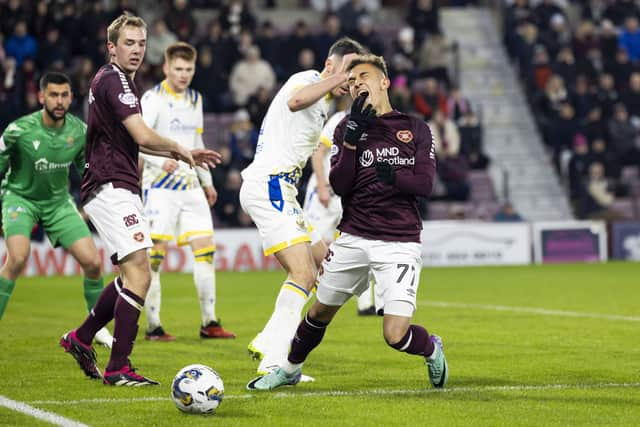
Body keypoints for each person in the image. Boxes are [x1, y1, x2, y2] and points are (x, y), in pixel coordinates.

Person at [248, 54, 448, 391]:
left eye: (364, 77)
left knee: (395, 334)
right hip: (354, 237)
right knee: (318, 313)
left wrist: (392, 178)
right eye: (352, 81)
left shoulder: (415, 128)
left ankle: (431, 348)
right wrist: (352, 141)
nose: (357, 85)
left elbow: (425, 186)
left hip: (399, 241)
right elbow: (340, 185)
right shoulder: (345, 127)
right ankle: (289, 369)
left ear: (384, 81)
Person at [59, 13, 220, 386]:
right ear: (111, 48)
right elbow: (142, 135)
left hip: (118, 184)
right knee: (141, 274)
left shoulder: (122, 82)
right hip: (111, 184)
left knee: (130, 275)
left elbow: (136, 140)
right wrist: (182, 150)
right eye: (128, 43)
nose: (136, 50)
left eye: (141, 43)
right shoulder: (114, 80)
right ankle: (118, 368)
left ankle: (81, 338)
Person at [240, 37, 366, 380]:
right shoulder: (306, 79)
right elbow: (296, 101)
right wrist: (338, 78)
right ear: (330, 64)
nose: (352, 78)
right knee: (303, 274)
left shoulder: (324, 104)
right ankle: (274, 359)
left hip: (284, 192)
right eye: (348, 69)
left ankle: (269, 338)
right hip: (270, 186)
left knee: (325, 263)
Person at [0, 72, 112, 347]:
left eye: (64, 95)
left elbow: (88, 173)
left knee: (93, 262)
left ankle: (95, 327)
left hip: (58, 203)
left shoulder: (79, 132)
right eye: (53, 95)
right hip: (20, 199)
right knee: (16, 258)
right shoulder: (17, 131)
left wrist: (97, 202)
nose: (59, 101)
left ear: (71, 97)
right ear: (41, 97)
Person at [140, 42, 235, 341]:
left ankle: (210, 322)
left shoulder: (196, 99)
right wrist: (160, 160)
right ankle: (154, 325)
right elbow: (138, 140)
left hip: (190, 186)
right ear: (166, 67)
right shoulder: (152, 98)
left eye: (188, 69)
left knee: (205, 253)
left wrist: (206, 181)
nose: (183, 75)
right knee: (154, 258)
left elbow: (196, 139)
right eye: (178, 69)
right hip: (159, 187)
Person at [302, 97, 378, 316]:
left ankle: (366, 304)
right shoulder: (340, 119)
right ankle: (298, 293)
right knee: (308, 247)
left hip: (347, 197)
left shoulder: (374, 128)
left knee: (362, 245)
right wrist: (322, 185)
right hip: (323, 195)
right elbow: (318, 153)